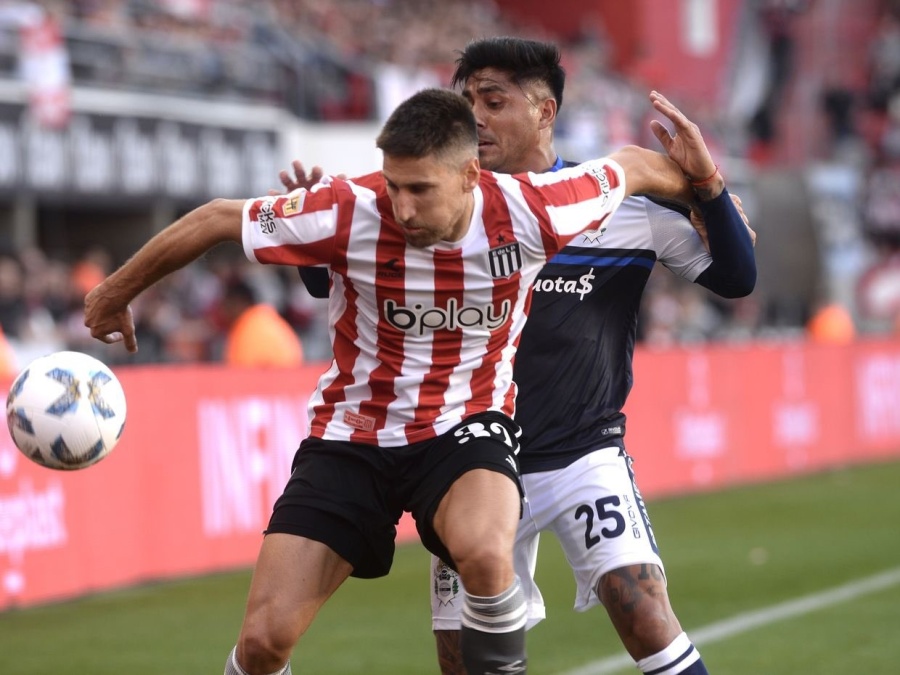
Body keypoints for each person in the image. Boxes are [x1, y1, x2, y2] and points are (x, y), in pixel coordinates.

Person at [83, 87, 701, 675]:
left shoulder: (536, 208)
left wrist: (712, 189)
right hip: (352, 439)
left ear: (469, 176)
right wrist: (113, 294)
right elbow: (219, 218)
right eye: (393, 185)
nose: (401, 207)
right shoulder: (349, 210)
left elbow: (636, 166)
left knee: (487, 556)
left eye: (419, 190)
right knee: (263, 642)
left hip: (466, 427)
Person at [417, 37, 755, 675]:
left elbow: (736, 278)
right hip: (472, 464)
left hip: (583, 453)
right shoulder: (448, 210)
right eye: (467, 104)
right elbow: (336, 275)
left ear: (545, 112)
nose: (476, 119)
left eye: (494, 101)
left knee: (645, 613)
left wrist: (707, 184)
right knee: (467, 662)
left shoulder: (618, 204)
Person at [219, 277, 305, 367]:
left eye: (226, 304)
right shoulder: (264, 319)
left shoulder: (249, 328)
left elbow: (242, 375)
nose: (223, 311)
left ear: (239, 302)